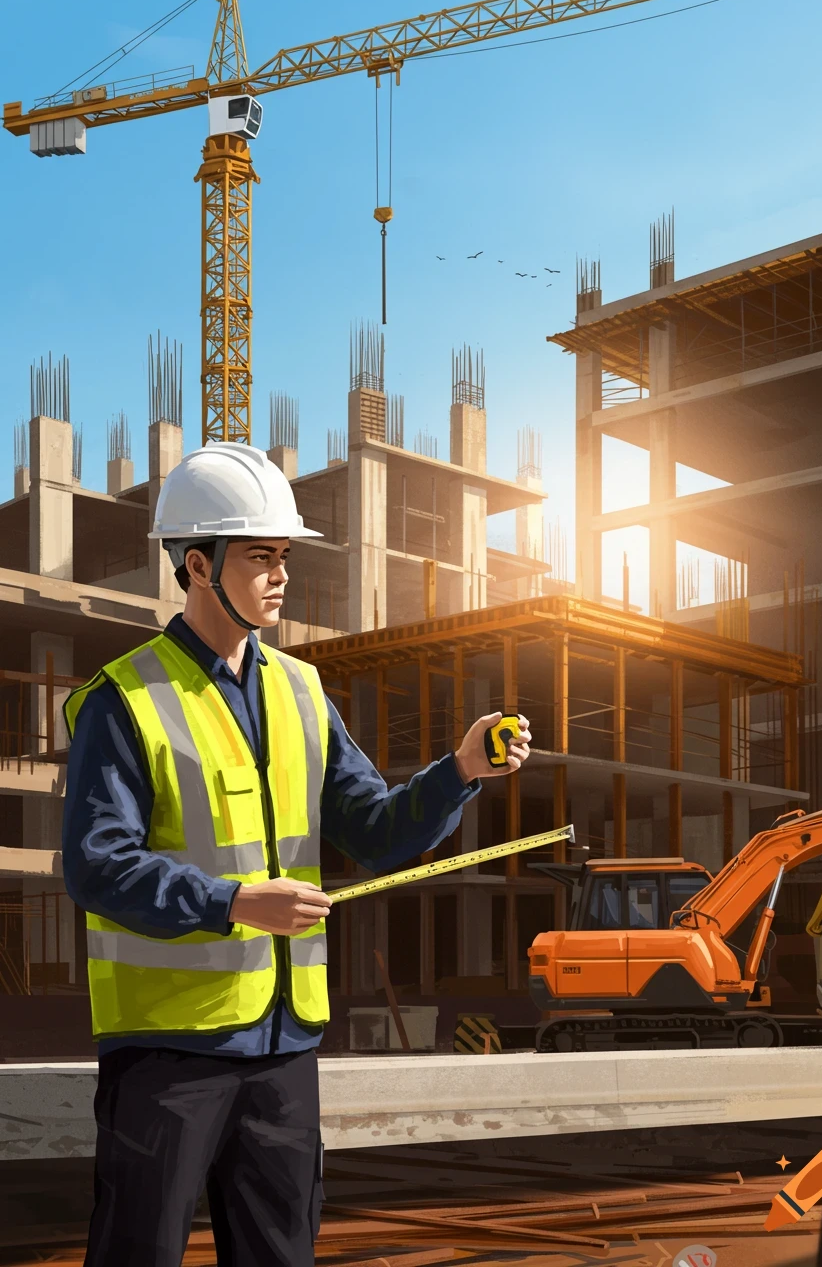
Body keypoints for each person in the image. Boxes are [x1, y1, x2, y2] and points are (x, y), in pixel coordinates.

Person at [62, 442, 531, 1267]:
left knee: (281, 1255)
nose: (282, 575)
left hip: (283, 1049)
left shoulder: (302, 690)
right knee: (140, 1253)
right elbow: (98, 866)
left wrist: (459, 771)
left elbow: (378, 833)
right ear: (198, 566)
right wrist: (235, 903)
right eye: (260, 557)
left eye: (285, 556)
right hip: (167, 1055)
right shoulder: (125, 699)